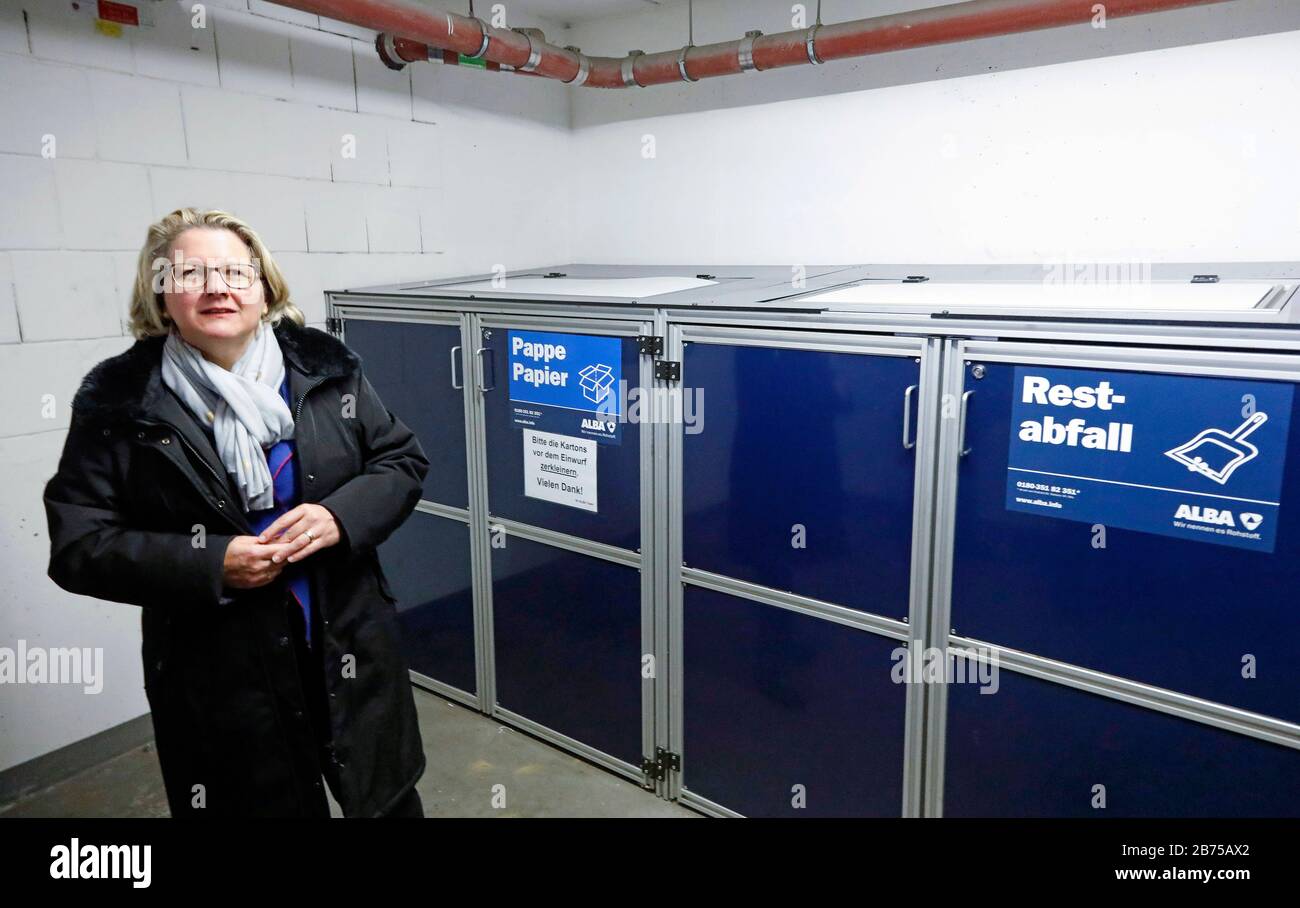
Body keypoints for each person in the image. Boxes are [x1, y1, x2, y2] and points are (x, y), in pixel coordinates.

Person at [43, 208, 430, 817]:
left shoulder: (326, 369)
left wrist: (339, 516)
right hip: (220, 670)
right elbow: (79, 545)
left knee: (384, 800)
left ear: (264, 286)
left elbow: (399, 461)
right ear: (160, 291)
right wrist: (209, 562)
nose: (218, 287)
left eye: (235, 271)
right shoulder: (120, 404)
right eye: (192, 273)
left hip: (347, 637)